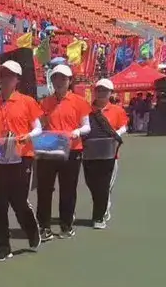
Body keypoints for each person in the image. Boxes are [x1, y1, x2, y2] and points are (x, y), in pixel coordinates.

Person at [0, 60, 42, 260]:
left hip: (21, 157)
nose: (5, 79)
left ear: (17, 79)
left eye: (9, 75)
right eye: (2, 75)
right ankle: (2, 246)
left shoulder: (27, 102)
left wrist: (28, 136)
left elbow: (38, 128)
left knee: (18, 200)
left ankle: (31, 230)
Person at [37, 64, 91, 240]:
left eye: (63, 78)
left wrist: (77, 132)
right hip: (49, 149)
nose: (59, 82)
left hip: (72, 150)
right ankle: (44, 226)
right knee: (44, 189)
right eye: (56, 78)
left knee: (68, 189)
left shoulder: (79, 102)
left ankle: (66, 225)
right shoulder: (45, 102)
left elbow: (87, 126)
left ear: (69, 81)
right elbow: (40, 125)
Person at [82, 79, 126, 229]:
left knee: (104, 186)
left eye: (105, 90)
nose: (101, 93)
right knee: (92, 185)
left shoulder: (117, 110)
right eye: (99, 90)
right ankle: (103, 205)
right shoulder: (86, 110)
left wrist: (116, 134)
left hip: (109, 155)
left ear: (111, 93)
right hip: (89, 154)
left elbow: (123, 126)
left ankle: (99, 217)